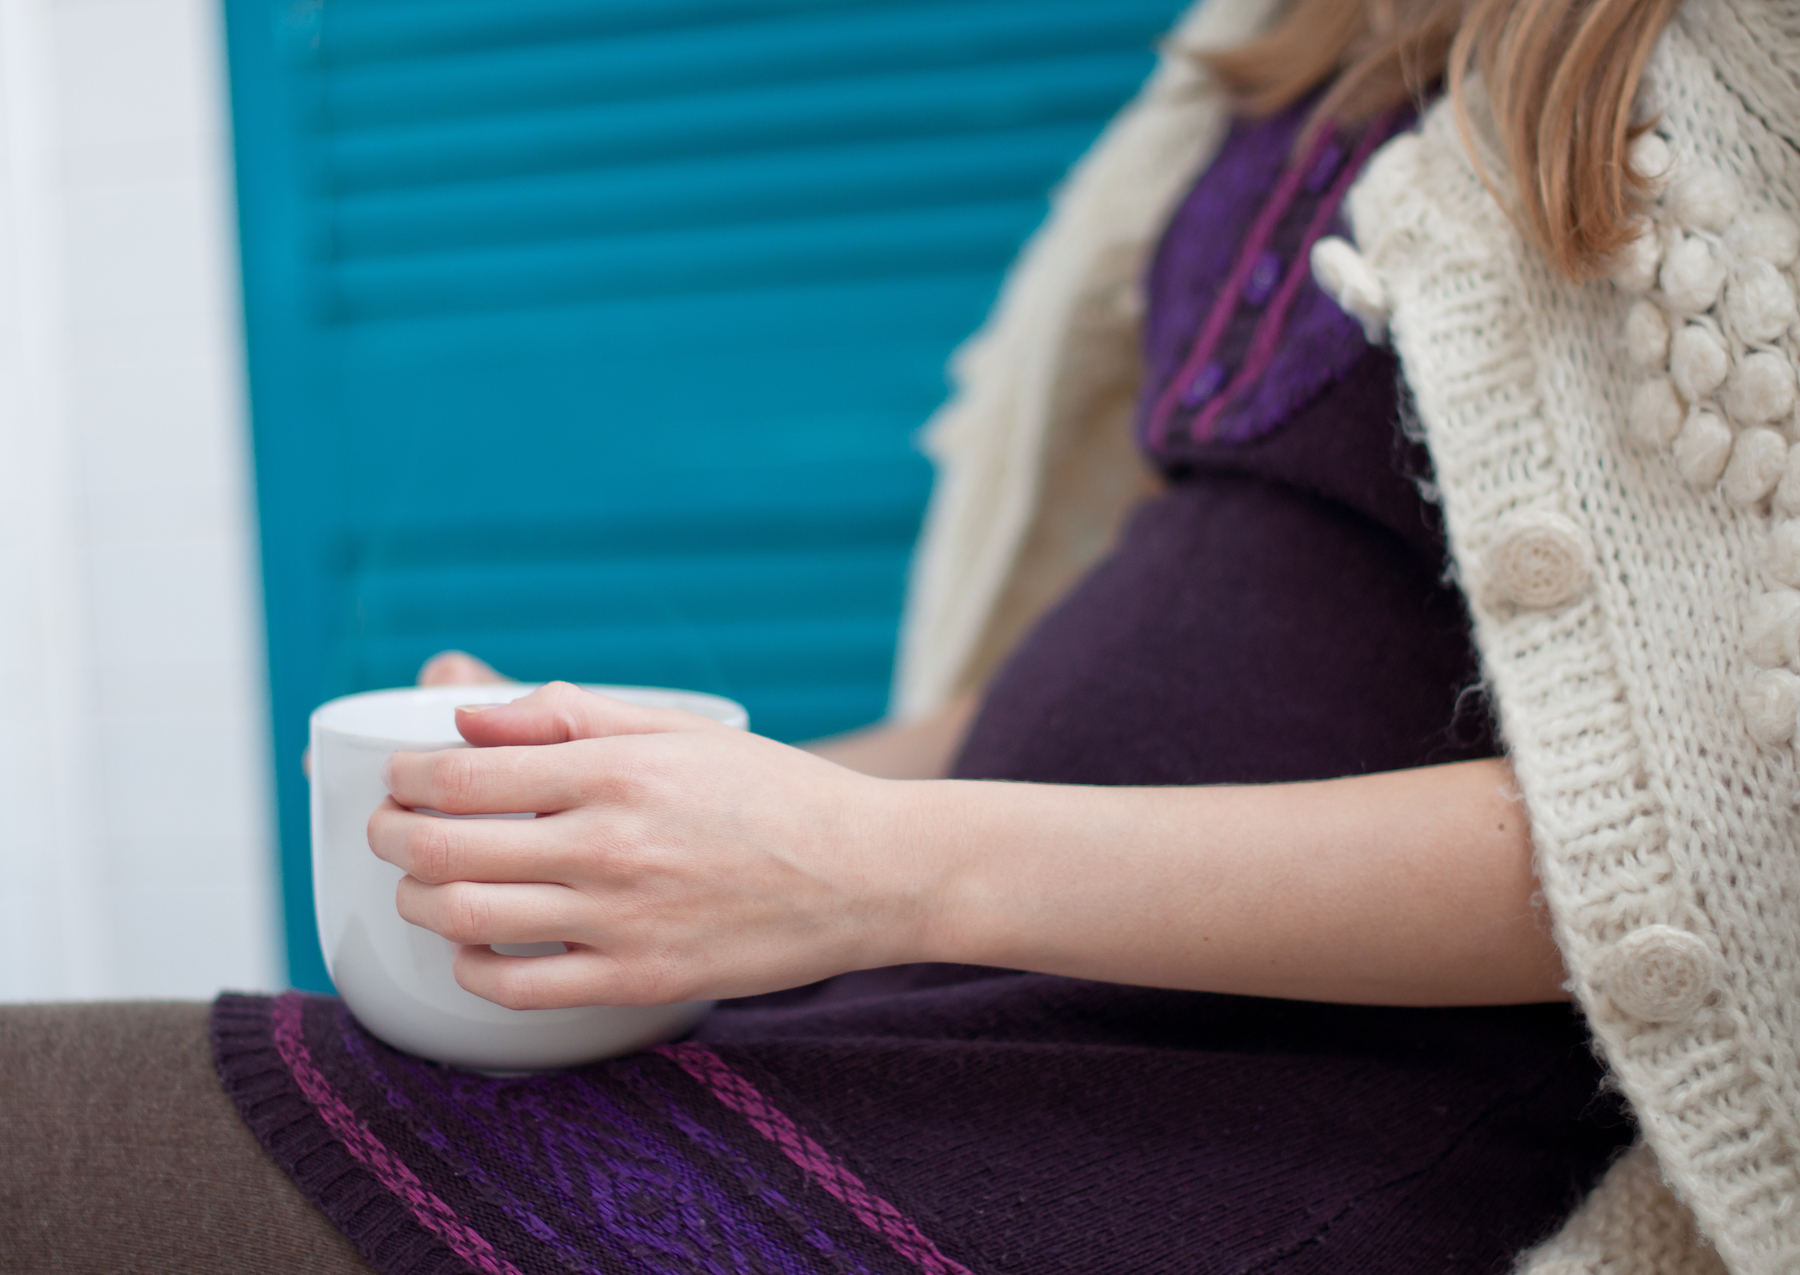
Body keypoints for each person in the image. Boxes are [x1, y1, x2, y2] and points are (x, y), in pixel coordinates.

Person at [6, 0, 1796, 1270]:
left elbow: (1737, 851)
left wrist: (880, 874)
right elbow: (1089, 683)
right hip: (980, 1006)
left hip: (1263, 1123)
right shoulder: (1289, 43)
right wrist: (644, 802)